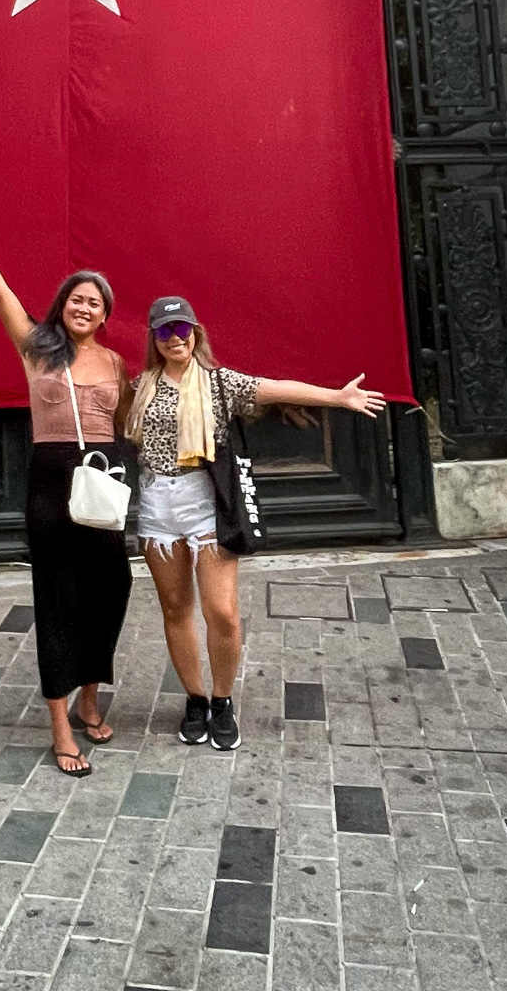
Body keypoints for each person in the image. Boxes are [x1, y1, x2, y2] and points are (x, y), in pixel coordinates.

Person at [129, 295, 387, 752]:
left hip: (208, 502)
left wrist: (338, 397)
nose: (175, 339)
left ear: (195, 332)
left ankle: (222, 700)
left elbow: (276, 387)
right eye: (165, 331)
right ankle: (194, 699)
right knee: (175, 608)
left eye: (182, 329)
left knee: (222, 613)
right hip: (157, 505)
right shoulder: (140, 386)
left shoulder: (219, 383)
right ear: (154, 338)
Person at [0, 204, 131, 775]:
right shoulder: (37, 348)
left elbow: (135, 423)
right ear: (63, 305)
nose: (84, 306)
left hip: (101, 481)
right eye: (77, 298)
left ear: (103, 316)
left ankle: (91, 694)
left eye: (94, 302)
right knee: (57, 598)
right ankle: (60, 724)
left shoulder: (116, 361)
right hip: (51, 482)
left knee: (110, 591)